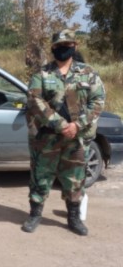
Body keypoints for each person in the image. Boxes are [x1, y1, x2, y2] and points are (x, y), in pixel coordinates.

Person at [22, 29, 105, 236]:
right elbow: (35, 101)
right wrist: (60, 124)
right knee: (40, 177)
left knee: (75, 179)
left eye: (67, 46)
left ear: (74, 46)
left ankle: (74, 218)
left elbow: (98, 101)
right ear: (52, 49)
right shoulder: (42, 73)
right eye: (58, 46)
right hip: (47, 137)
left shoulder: (88, 73)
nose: (62, 49)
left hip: (76, 137)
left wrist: (77, 125)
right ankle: (34, 214)